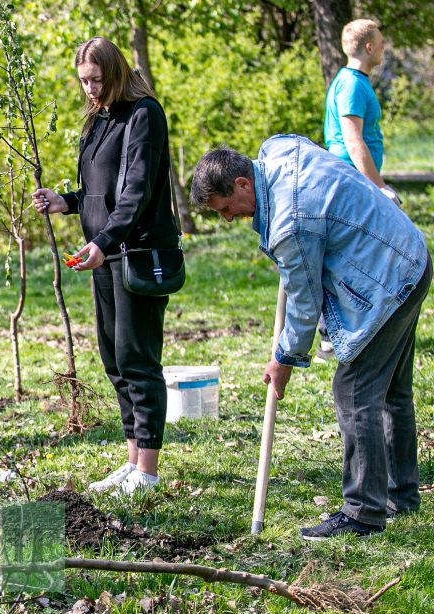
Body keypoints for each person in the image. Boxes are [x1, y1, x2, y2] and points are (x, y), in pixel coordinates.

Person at [190, 135, 430, 541]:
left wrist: (284, 359)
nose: (229, 219)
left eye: (227, 208)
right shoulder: (277, 151)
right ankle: (400, 495)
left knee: (353, 391)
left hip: (387, 281)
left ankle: (363, 512)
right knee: (391, 390)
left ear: (244, 183)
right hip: (410, 256)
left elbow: (304, 304)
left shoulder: (290, 224)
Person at [32, 37, 179, 495]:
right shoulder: (99, 119)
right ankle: (132, 462)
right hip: (104, 252)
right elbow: (100, 191)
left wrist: (103, 240)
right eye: (83, 81)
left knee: (138, 359)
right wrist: (66, 201)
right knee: (114, 359)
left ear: (115, 73)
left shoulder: (144, 115)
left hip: (136, 254)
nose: (90, 89)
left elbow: (136, 192)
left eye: (96, 80)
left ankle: (148, 471)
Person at [323, 18, 398, 205]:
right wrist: (380, 187)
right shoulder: (352, 84)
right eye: (381, 43)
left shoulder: (356, 80)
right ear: (369, 48)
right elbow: (353, 141)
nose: (383, 47)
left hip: (357, 180)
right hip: (351, 181)